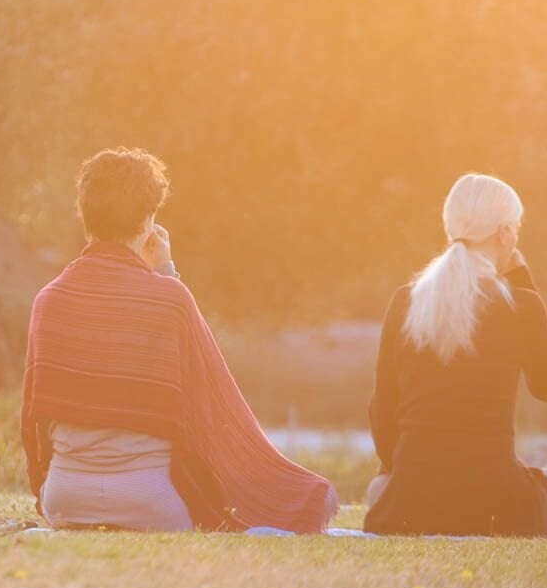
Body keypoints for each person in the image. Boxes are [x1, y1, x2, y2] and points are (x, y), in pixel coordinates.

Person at [21, 147, 338, 533]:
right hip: (148, 501)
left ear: (86, 218)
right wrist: (167, 272)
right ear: (148, 222)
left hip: (65, 497)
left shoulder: (48, 300)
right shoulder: (169, 298)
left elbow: (33, 423)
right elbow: (211, 400)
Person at [364, 173, 547, 537]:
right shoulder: (521, 304)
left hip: (408, 510)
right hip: (500, 510)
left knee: (379, 487)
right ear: (504, 234)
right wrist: (522, 281)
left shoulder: (405, 301)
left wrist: (404, 477)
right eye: (516, 228)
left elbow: (383, 410)